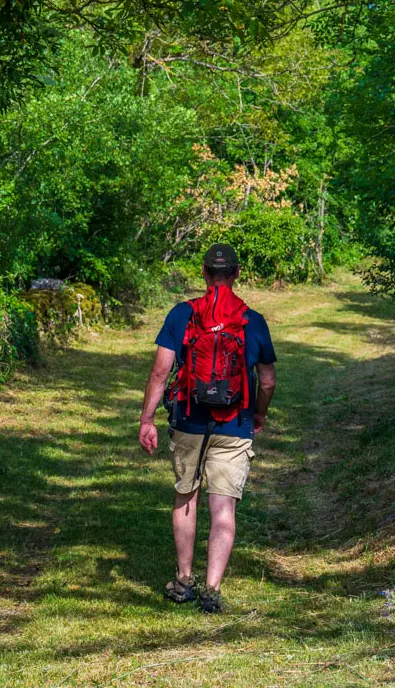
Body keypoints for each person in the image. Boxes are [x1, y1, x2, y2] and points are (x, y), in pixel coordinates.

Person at [136, 243, 276, 614]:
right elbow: (267, 381)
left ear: (203, 273)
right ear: (237, 273)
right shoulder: (253, 321)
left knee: (186, 496)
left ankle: (184, 580)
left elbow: (159, 372)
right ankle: (212, 589)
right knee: (223, 506)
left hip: (189, 419)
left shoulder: (182, 315)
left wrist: (147, 419)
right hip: (235, 422)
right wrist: (259, 415)